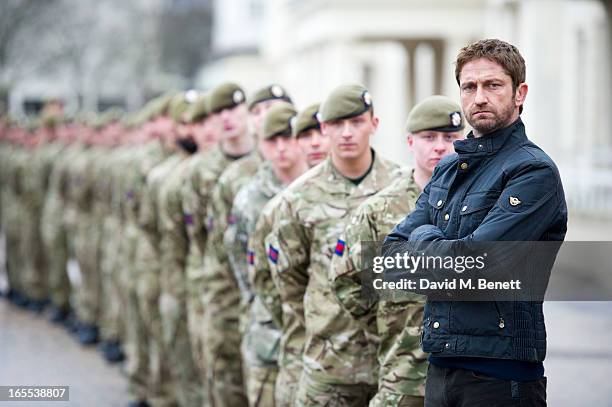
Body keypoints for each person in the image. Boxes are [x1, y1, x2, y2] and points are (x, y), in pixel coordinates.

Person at [385, 39, 567, 407]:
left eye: (493, 85)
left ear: (520, 93)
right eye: (470, 87)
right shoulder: (450, 167)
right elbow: (390, 258)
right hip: (439, 371)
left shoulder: (533, 172)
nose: (479, 97)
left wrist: (422, 237)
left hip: (500, 379)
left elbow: (475, 265)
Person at [265, 84, 398, 406]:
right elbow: (288, 282)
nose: (347, 133)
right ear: (325, 129)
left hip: (392, 364)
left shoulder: (402, 185)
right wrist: (323, 315)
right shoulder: (297, 200)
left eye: (356, 122)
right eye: (338, 124)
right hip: (329, 364)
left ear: (374, 124)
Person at [330, 96, 465, 406]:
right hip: (403, 377)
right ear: (410, 142)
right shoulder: (379, 211)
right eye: (429, 137)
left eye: (450, 138)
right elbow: (346, 280)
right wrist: (387, 323)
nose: (440, 147)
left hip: (469, 380)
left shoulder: (483, 204)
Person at [199, 84, 290, 406]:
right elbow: (226, 251)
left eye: (277, 110)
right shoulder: (238, 182)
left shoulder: (307, 165)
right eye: (260, 112)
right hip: (245, 301)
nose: (269, 118)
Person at [226, 101, 309, 407]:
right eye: (273, 141)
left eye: (288, 138)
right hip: (268, 331)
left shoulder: (315, 189)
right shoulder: (249, 198)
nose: (282, 149)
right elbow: (239, 257)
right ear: (261, 145)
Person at [248, 103, 330, 406]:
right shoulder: (282, 206)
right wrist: (302, 314)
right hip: (300, 342)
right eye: (306, 136)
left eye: (320, 133)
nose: (316, 143)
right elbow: (263, 280)